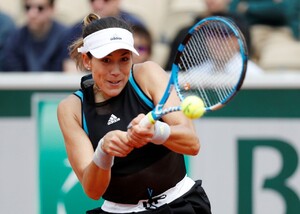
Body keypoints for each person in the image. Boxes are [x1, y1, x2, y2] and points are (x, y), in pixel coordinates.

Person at [57, 13, 211, 214]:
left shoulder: (148, 74)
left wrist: (156, 132)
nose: (116, 71)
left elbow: (192, 144)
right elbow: (92, 190)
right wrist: (104, 151)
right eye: (106, 60)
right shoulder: (71, 109)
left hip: (179, 205)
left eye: (124, 59)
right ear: (87, 60)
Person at [165, 0, 263, 76]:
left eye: (225, 34)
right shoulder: (185, 33)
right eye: (212, 35)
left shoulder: (242, 26)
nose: (218, 41)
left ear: (237, 41)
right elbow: (171, 70)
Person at [64, 0, 146, 72]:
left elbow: (144, 58)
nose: (97, 4)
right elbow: (70, 65)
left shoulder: (135, 25)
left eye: (105, 0)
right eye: (92, 0)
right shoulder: (78, 29)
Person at [229, 0, 300, 70]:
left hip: (288, 33)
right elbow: (234, 10)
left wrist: (248, 8)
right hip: (256, 31)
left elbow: (289, 8)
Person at [2, 0, 69, 72]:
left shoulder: (65, 37)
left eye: (40, 8)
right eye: (27, 7)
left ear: (52, 9)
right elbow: (13, 73)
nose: (32, 14)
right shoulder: (15, 38)